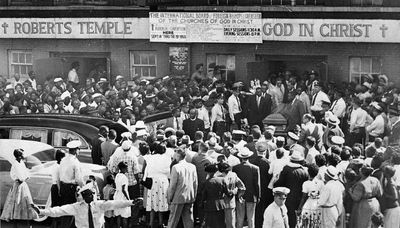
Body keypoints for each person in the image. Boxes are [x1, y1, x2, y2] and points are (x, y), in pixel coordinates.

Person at [32, 183, 141, 228]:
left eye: (93, 194)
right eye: (90, 194)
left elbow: (115, 203)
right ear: (85, 197)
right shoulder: (76, 207)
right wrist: (41, 212)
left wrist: (131, 202)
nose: (93, 196)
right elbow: (59, 211)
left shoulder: (99, 205)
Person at [0, 149, 37, 224]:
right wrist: (24, 178)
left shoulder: (21, 163)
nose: (24, 155)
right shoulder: (16, 164)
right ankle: (15, 223)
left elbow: (26, 174)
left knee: (26, 202)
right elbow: (21, 177)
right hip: (18, 185)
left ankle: (26, 222)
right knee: (16, 203)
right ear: (19, 156)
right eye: (22, 154)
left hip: (23, 184)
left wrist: (25, 177)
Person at [274, 149, 309, 228]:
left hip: (288, 198)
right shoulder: (304, 171)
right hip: (300, 198)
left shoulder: (286, 169)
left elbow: (279, 183)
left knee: (289, 218)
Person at [167, 148, 198, 228]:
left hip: (178, 197)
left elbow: (173, 185)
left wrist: (170, 197)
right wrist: (194, 195)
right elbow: (195, 183)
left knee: (173, 220)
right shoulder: (192, 166)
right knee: (189, 219)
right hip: (190, 196)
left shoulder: (175, 167)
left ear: (178, 155)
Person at [144, 142, 171, 228]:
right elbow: (168, 172)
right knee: (161, 201)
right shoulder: (167, 158)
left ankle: (151, 223)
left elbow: (147, 170)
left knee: (152, 202)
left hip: (152, 180)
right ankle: (160, 222)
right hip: (163, 181)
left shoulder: (151, 158)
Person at [232, 147, 260, 228]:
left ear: (240, 157)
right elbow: (257, 184)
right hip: (251, 196)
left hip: (240, 196)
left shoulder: (236, 168)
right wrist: (258, 196)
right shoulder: (255, 168)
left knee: (239, 218)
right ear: (249, 157)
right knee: (251, 219)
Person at [58, 140, 84, 228]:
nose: (79, 151)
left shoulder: (63, 160)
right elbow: (79, 179)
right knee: (71, 210)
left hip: (63, 186)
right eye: (78, 149)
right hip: (70, 188)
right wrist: (84, 187)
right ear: (75, 150)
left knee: (64, 209)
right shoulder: (75, 162)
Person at [249, 141, 273, 227]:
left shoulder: (252, 161)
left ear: (256, 150)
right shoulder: (268, 163)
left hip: (254, 189)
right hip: (265, 190)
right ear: (265, 151)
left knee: (255, 211)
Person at [217, 162, 246, 228]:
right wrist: (238, 196)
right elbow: (242, 187)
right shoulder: (233, 175)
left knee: (219, 224)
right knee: (231, 224)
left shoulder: (216, 177)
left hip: (218, 204)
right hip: (230, 203)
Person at [297, 164, 323, 228]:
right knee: (316, 221)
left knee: (306, 222)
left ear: (308, 172)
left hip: (309, 204)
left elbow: (304, 197)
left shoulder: (306, 183)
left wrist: (299, 208)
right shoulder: (321, 183)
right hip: (317, 204)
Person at [202, 164, 227, 228]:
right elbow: (227, 192)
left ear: (208, 172)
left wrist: (201, 204)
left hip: (210, 205)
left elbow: (204, 196)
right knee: (221, 223)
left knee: (211, 224)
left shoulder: (206, 182)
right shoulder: (222, 180)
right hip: (221, 204)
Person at [114, 162, 131, 228]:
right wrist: (128, 199)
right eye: (126, 167)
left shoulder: (117, 175)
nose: (127, 169)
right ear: (123, 168)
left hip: (117, 196)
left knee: (118, 215)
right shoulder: (124, 177)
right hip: (123, 197)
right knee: (124, 216)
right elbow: (124, 189)